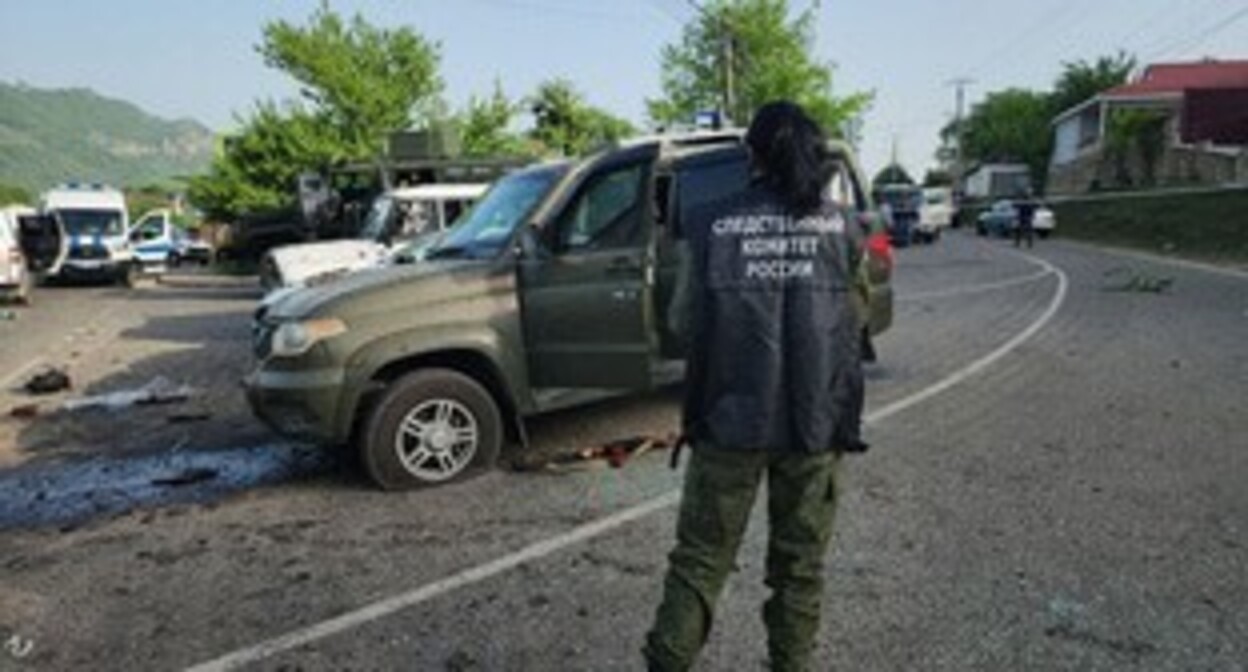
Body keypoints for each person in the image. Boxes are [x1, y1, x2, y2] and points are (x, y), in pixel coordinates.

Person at [644, 101, 868, 672]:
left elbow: (681, 322)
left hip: (728, 419)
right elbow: (856, 317)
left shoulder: (712, 224)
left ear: (752, 156)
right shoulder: (844, 228)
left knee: (699, 561)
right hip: (815, 424)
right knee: (799, 569)